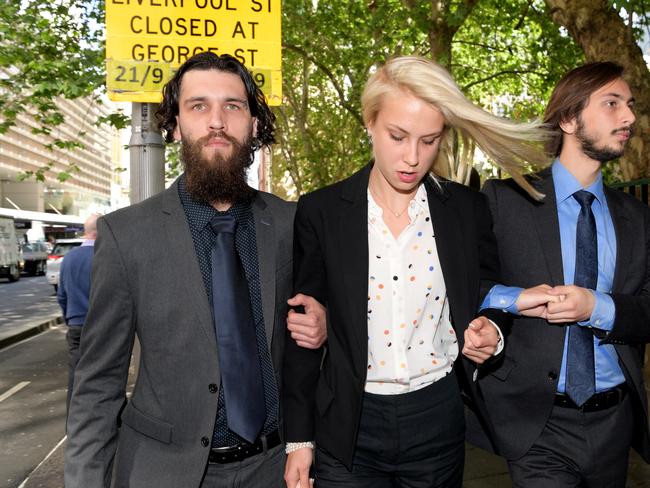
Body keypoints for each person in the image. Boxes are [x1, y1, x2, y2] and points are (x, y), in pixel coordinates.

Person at [282, 55, 549, 488]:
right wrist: (298, 440)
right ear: (369, 122)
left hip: (437, 420)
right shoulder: (322, 211)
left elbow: (486, 291)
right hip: (348, 422)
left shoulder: (465, 209)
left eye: (429, 140)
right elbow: (303, 326)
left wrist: (493, 331)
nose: (412, 157)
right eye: (398, 136)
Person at [65, 52, 326, 488]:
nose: (217, 121)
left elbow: (329, 328)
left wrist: (326, 323)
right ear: (174, 125)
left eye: (233, 106)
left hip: (274, 470)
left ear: (255, 125)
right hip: (162, 471)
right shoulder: (126, 234)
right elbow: (97, 385)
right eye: (198, 106)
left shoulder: (291, 222)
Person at [478, 61, 650, 487]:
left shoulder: (638, 217)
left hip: (616, 423)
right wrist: (512, 299)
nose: (628, 116)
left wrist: (598, 306)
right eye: (611, 104)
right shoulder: (505, 200)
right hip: (537, 427)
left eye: (629, 105)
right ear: (569, 119)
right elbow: (469, 286)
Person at [57, 213, 99, 414]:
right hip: (100, 326)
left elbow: (61, 295)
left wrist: (70, 318)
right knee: (103, 375)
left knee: (75, 377)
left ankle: (72, 426)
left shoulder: (68, 258)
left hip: (76, 325)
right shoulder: (104, 257)